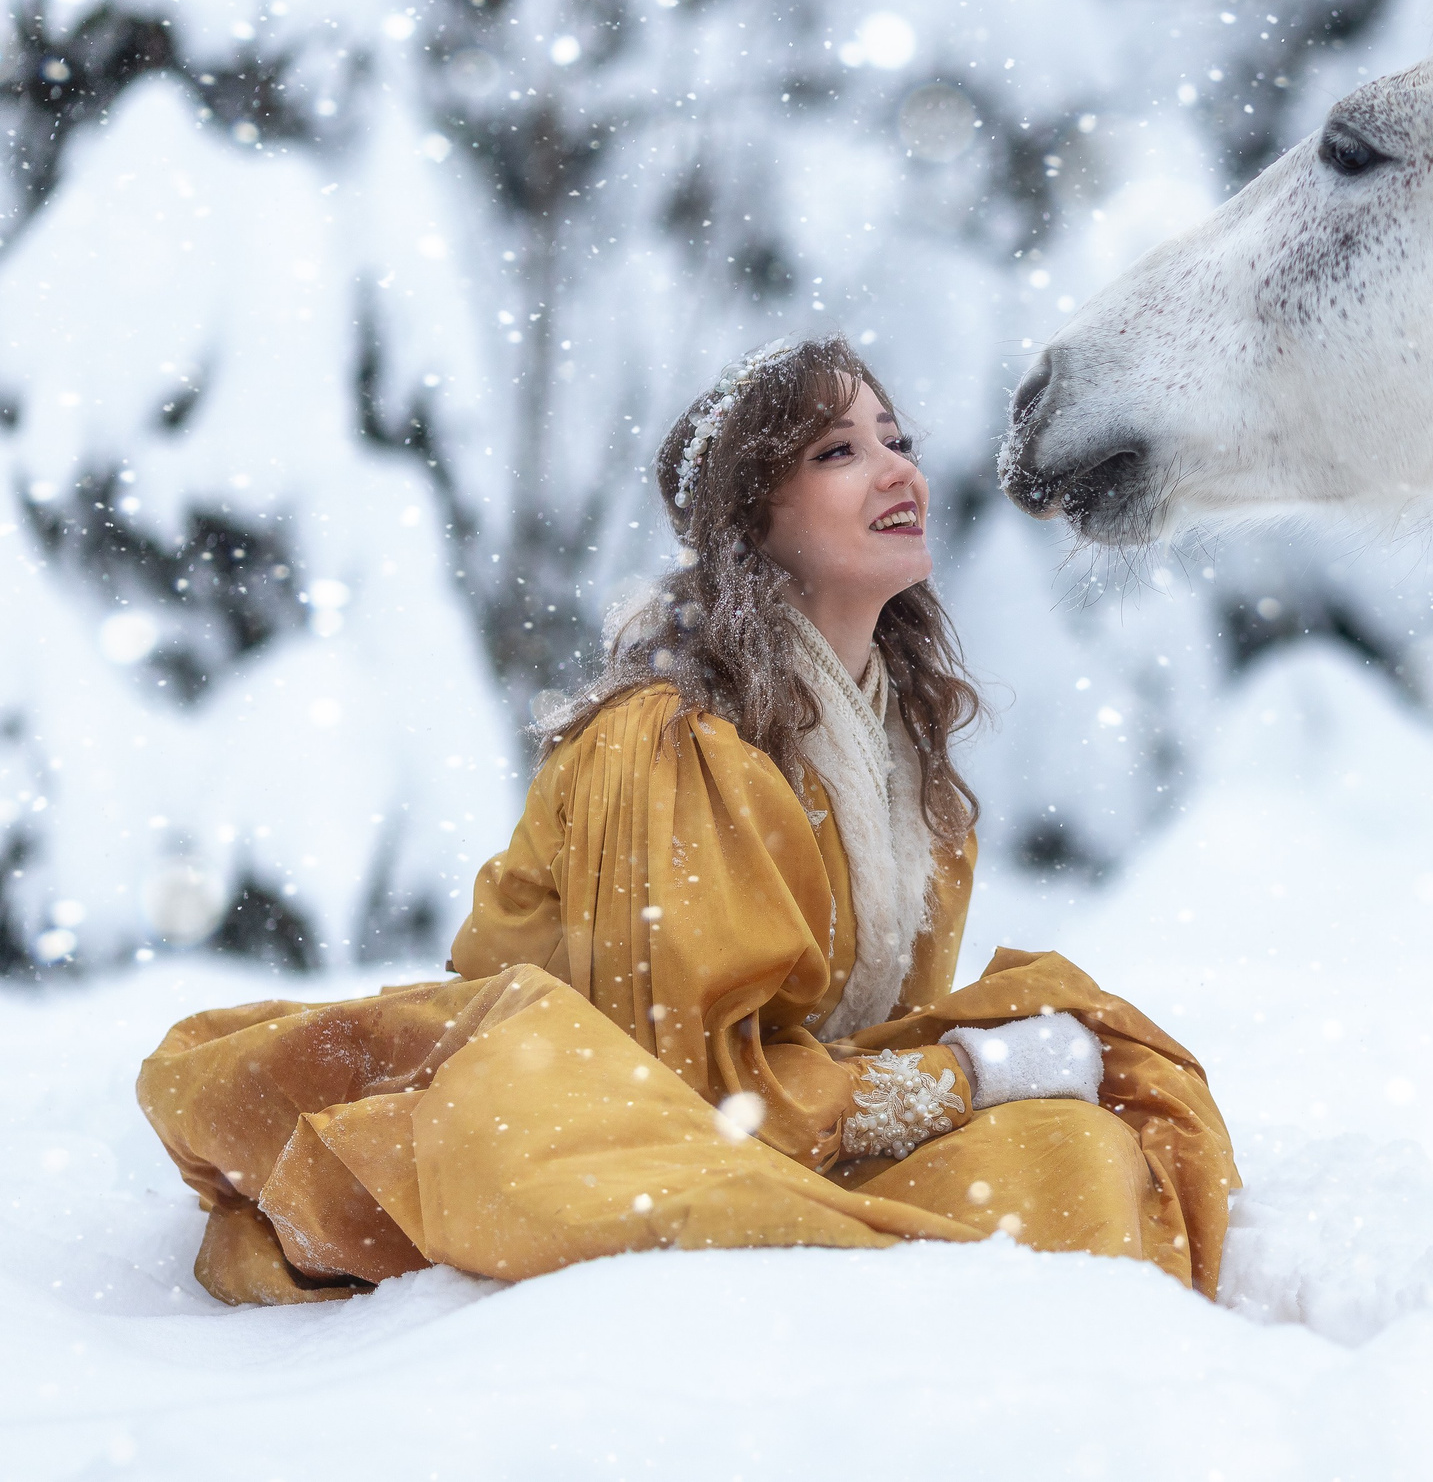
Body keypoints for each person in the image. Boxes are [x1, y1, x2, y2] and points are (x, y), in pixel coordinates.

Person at [136, 335, 1237, 1306]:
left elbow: (827, 1054)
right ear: (751, 516)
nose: (898, 468)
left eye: (894, 438)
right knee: (1049, 1164)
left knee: (1086, 1138)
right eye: (838, 451)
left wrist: (980, 1078)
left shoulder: (904, 763)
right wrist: (968, 1078)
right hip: (592, 1128)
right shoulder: (673, 741)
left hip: (766, 1129)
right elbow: (701, 1089)